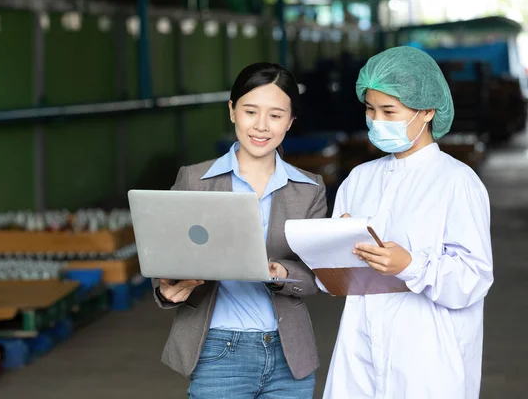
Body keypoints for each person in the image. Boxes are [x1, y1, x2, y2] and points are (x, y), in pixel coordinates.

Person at [322, 46, 494, 399]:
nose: (377, 121)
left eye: (389, 111)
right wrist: (333, 250)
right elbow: (334, 281)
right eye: (370, 110)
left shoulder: (456, 181)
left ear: (428, 111)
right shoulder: (359, 179)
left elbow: (474, 278)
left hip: (428, 357)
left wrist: (411, 265)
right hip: (361, 349)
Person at [151, 62, 328, 398]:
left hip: (290, 357)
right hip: (220, 351)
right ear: (232, 111)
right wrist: (167, 289)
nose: (261, 126)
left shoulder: (309, 190)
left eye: (275, 115)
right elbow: (165, 255)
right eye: (250, 111)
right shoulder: (195, 181)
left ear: (290, 122)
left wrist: (277, 271)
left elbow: (314, 278)